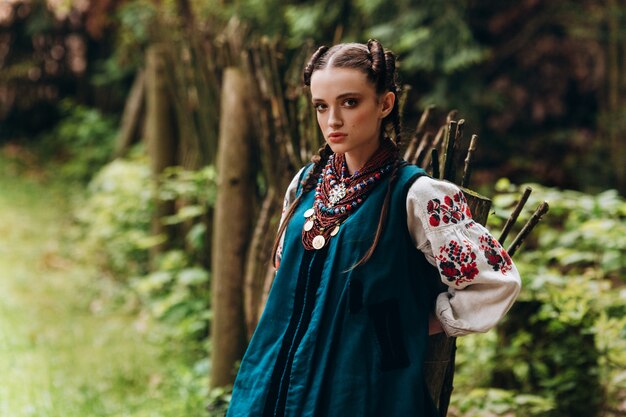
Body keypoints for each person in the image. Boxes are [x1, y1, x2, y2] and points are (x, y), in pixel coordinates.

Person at [225, 39, 521, 417]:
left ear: (384, 104)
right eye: (321, 106)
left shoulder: (418, 196)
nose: (333, 120)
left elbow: (496, 282)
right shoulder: (304, 185)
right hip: (277, 374)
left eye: (349, 102)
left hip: (363, 385)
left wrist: (409, 327)